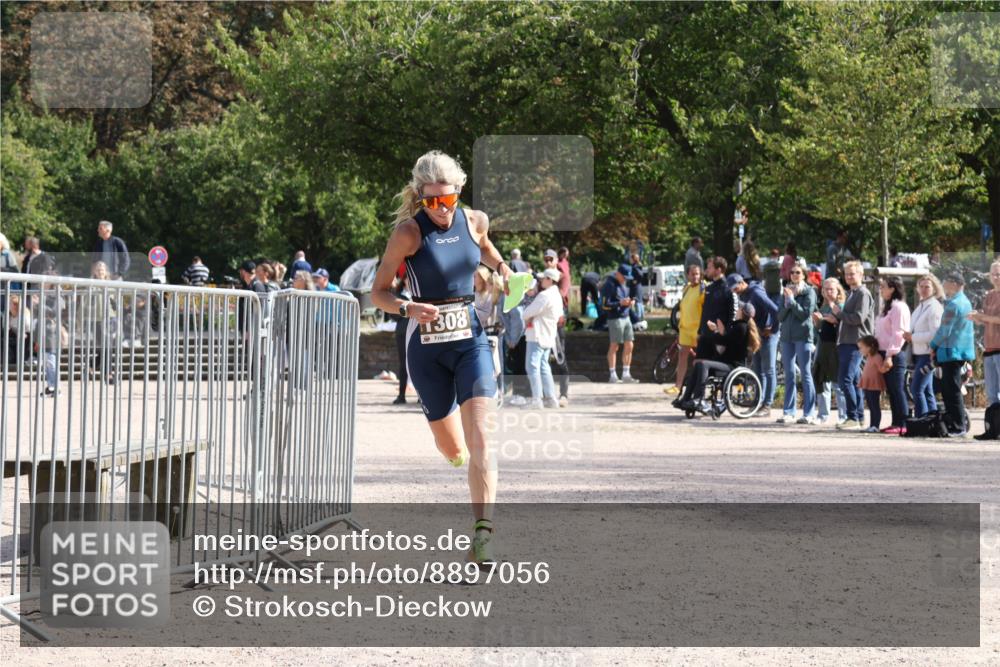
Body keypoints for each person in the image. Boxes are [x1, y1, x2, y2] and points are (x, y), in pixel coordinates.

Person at [371, 150, 507, 564]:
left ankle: (483, 535)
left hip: (470, 340)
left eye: (447, 200)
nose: (441, 209)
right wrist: (408, 308)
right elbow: (378, 293)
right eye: (431, 201)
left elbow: (485, 248)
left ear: (458, 193)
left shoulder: (473, 220)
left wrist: (504, 269)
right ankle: (458, 457)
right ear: (420, 196)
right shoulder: (408, 234)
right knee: (452, 447)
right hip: (426, 348)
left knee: (482, 437)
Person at [676, 301, 761, 412]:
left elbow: (724, 341)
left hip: (732, 366)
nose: (737, 310)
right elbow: (726, 340)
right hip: (726, 362)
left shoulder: (741, 327)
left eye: (739, 308)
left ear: (741, 311)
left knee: (703, 364)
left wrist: (715, 331)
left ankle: (699, 399)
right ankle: (686, 400)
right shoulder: (737, 326)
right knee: (698, 365)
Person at [831, 261, 875, 431]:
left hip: (855, 342)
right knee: (854, 380)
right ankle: (858, 416)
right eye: (847, 274)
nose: (849, 276)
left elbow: (858, 318)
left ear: (861, 275)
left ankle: (852, 417)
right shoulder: (852, 293)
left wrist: (839, 314)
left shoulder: (862, 294)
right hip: (848, 342)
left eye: (852, 273)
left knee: (846, 379)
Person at [930, 272, 974, 437]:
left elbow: (944, 331)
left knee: (951, 391)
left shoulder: (953, 305)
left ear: (955, 283)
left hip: (951, 353)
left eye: (946, 281)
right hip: (958, 352)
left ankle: (958, 426)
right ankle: (956, 424)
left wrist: (933, 345)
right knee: (952, 389)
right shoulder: (965, 302)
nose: (943, 284)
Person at [729, 273, 779, 416]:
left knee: (769, 370)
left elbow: (775, 310)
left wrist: (773, 328)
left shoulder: (756, 292)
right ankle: (758, 403)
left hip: (768, 335)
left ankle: (767, 406)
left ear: (741, 282)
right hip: (757, 335)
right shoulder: (743, 294)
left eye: (735, 287)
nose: (734, 291)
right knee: (758, 371)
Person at [776, 263, 817, 424]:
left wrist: (791, 301)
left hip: (803, 337)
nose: (794, 275)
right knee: (789, 375)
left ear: (804, 275)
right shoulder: (785, 291)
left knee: (806, 374)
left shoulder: (809, 292)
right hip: (786, 338)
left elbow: (805, 314)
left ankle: (809, 413)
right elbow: (780, 316)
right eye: (792, 272)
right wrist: (788, 301)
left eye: (798, 272)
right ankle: (788, 412)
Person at [873, 276, 911, 434]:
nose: (881, 289)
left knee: (897, 388)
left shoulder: (899, 307)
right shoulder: (887, 307)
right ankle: (896, 422)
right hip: (883, 351)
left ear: (893, 288)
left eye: (883, 287)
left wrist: (889, 355)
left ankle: (903, 422)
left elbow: (898, 333)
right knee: (891, 389)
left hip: (894, 353)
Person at [522, 268, 563, 409]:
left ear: (550, 280)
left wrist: (530, 315)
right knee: (544, 367)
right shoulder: (557, 295)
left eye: (543, 279)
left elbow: (526, 313)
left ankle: (537, 400)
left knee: (532, 366)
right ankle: (551, 398)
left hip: (537, 334)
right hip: (548, 335)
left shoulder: (544, 295)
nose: (540, 281)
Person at [905, 274, 944, 418]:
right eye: (921, 286)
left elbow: (935, 334)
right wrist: (909, 335)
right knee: (926, 390)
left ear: (934, 289)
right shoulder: (921, 306)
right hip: (918, 353)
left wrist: (912, 337)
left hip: (928, 354)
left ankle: (921, 419)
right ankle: (931, 420)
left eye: (927, 286)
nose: (923, 289)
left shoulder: (934, 307)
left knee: (916, 389)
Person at [968, 260, 1000, 438]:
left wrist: (983, 317)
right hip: (989, 348)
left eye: (999, 274)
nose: (996, 277)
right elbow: (987, 320)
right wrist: (976, 318)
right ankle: (993, 429)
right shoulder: (989, 295)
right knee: (991, 393)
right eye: (993, 273)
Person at [811, 278, 847, 424]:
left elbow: (845, 326)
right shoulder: (823, 307)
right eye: (825, 289)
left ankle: (843, 416)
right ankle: (822, 415)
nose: (828, 292)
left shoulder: (841, 306)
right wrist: (817, 322)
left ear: (838, 290)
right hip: (822, 346)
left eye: (831, 289)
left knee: (837, 383)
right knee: (821, 380)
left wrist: (835, 320)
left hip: (836, 348)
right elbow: (819, 330)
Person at [668, 263, 704, 396]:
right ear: (688, 275)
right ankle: (678, 385)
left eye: (698, 274)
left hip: (697, 328)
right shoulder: (686, 289)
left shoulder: (702, 288)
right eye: (693, 274)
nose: (695, 277)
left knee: (699, 359)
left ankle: (698, 386)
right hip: (685, 328)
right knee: (682, 356)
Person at [542, 250, 570, 405]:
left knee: (560, 357)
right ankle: (548, 394)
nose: (547, 262)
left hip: (557, 323)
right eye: (545, 259)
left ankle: (564, 393)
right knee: (544, 359)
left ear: (556, 260)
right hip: (544, 323)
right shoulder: (544, 277)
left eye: (550, 259)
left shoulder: (562, 276)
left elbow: (560, 293)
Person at [603, 263, 638, 383]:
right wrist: (620, 304)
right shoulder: (609, 285)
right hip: (615, 319)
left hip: (626, 317)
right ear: (618, 274)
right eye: (624, 277)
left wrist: (630, 302)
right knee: (615, 346)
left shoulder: (624, 284)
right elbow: (604, 305)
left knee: (630, 345)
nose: (625, 280)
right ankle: (612, 375)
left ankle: (626, 374)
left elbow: (626, 297)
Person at [696, 257, 738, 360]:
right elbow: (705, 311)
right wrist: (699, 331)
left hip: (718, 338)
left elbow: (732, 315)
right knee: (698, 365)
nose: (707, 270)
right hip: (705, 335)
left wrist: (725, 335)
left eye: (710, 267)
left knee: (714, 369)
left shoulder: (728, 289)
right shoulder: (709, 288)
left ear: (718, 270)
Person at [858, 335, 887, 433]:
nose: (860, 350)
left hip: (874, 385)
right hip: (867, 384)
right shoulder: (869, 356)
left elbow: (881, 369)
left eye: (861, 347)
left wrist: (887, 366)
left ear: (869, 347)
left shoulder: (877, 357)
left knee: (874, 406)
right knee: (870, 405)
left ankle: (876, 426)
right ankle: (872, 425)